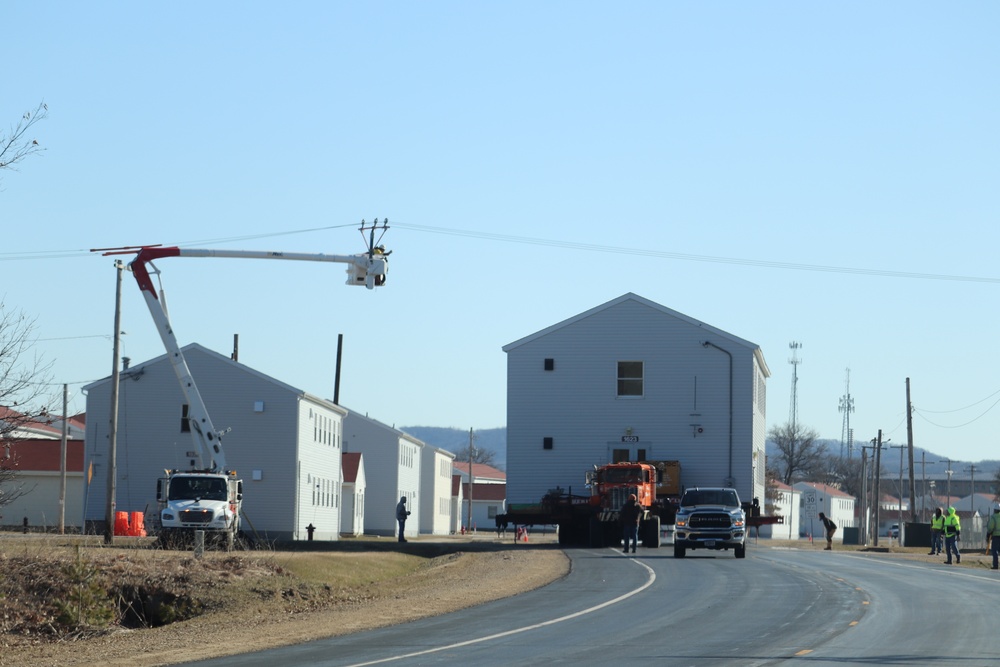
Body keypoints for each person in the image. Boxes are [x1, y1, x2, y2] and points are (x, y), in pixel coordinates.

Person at [987, 504, 1000, 570]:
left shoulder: (993, 517)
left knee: (995, 551)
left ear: (994, 510)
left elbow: (990, 528)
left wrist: (988, 535)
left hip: (995, 536)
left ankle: (995, 565)